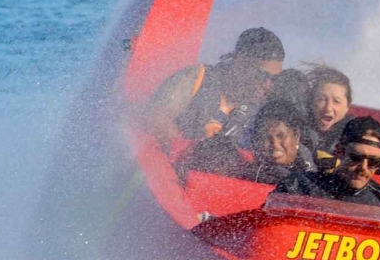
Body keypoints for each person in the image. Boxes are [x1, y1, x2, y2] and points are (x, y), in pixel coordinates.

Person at [141, 27, 284, 151]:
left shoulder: (259, 111)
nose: (267, 84)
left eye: (274, 78)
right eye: (262, 75)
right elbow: (154, 117)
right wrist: (188, 151)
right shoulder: (197, 78)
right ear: (239, 62)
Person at [275, 115, 380, 208]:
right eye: (355, 158)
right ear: (339, 151)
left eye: (373, 162)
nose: (363, 167)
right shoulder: (298, 187)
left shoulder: (378, 209)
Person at [242, 97, 314, 185]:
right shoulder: (251, 177)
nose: (275, 145)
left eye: (281, 136)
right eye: (266, 137)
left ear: (296, 136)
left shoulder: (315, 167)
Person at [304, 66, 352, 160]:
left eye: (336, 101)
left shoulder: (354, 135)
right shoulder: (298, 129)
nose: (328, 108)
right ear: (312, 102)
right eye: (322, 99)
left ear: (347, 106)